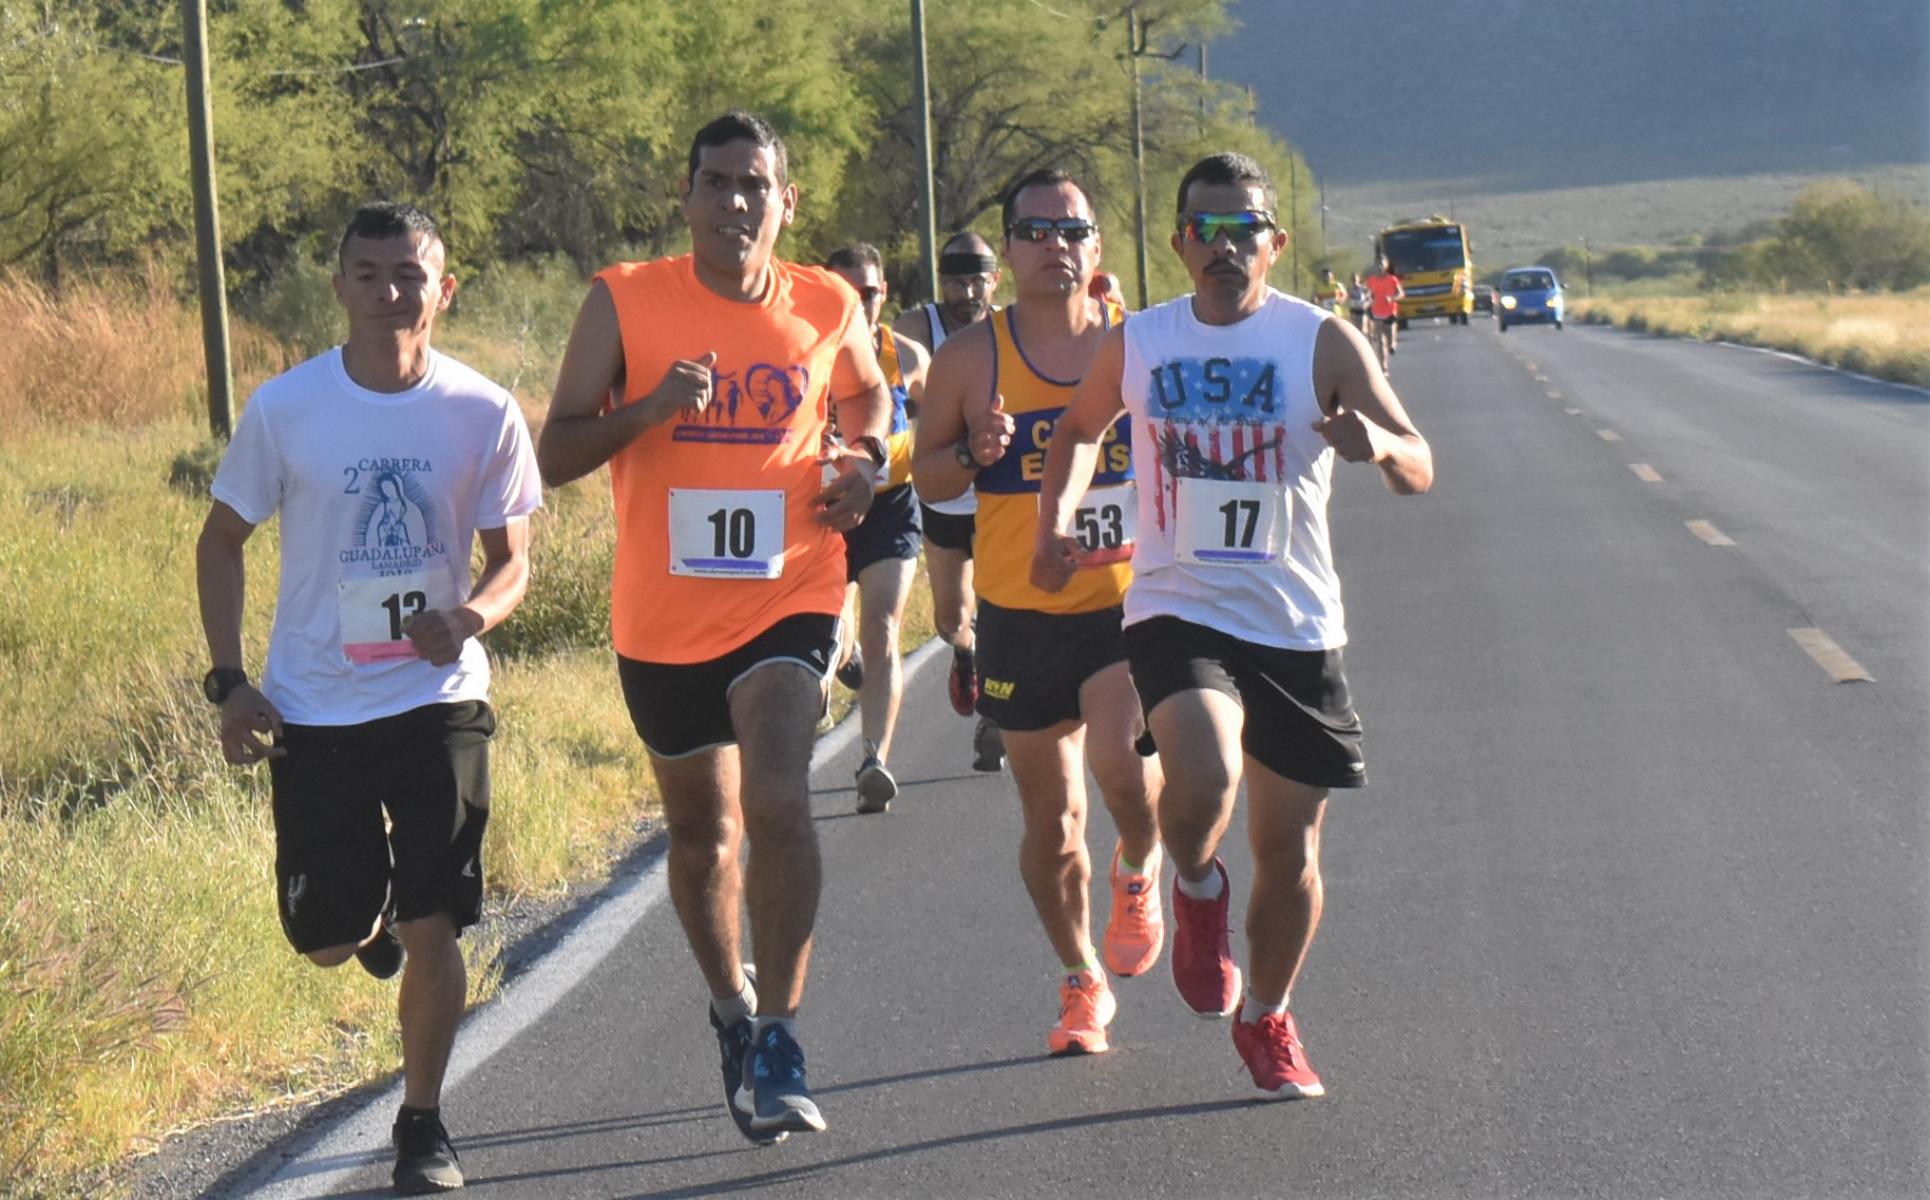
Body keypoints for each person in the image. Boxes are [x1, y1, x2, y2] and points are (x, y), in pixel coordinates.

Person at [1032, 151, 1431, 1100]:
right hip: (1180, 605)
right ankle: (1197, 884)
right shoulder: (1140, 341)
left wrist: (1377, 445)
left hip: (1295, 619)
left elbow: (1420, 463)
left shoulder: (1322, 340)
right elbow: (1080, 432)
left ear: (1274, 241)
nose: (1225, 246)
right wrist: (1054, 522)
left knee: (1290, 856)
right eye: (1205, 229)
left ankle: (1268, 1017)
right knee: (1203, 776)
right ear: (1179, 243)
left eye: (1244, 227)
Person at [535, 111, 890, 1143]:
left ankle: (779, 1031)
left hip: (791, 589)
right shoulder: (625, 299)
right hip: (661, 618)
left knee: (778, 799)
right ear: (685, 197)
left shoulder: (824, 303)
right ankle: (731, 1012)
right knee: (703, 836)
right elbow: (553, 453)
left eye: (757, 186)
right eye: (719, 183)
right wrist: (646, 411)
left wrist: (865, 467)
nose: (738, 202)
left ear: (786, 203)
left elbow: (870, 402)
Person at [196, 201, 542, 1194]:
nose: (390, 291)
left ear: (445, 288)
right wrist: (231, 683)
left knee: (441, 921)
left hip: (438, 699)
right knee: (324, 939)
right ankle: (371, 919)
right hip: (316, 705)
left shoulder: (482, 410)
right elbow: (221, 540)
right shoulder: (287, 409)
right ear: (340, 284)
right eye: (369, 273)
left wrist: (471, 617)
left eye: (410, 274)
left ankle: (423, 1123)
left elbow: (512, 560)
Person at [913, 169, 1165, 1057]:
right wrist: (972, 452)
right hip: (1020, 611)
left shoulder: (1136, 345)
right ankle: (1079, 979)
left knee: (1120, 769)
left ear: (1096, 245)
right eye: (1036, 231)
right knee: (1052, 825)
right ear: (1008, 248)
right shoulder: (970, 359)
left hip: (1125, 606)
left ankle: (1140, 865)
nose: (1056, 245)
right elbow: (927, 478)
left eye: (1073, 229)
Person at [892, 232, 1006, 774]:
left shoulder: (1010, 328)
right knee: (949, 618)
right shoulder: (918, 329)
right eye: (957, 280)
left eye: (977, 279)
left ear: (995, 279)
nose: (967, 291)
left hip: (999, 493)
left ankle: (997, 714)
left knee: (1005, 607)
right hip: (941, 492)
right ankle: (967, 653)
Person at [824, 242, 929, 814]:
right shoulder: (809, 353)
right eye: (845, 291)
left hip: (891, 504)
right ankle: (846, 662)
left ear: (882, 293)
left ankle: (873, 759)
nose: (857, 303)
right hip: (828, 507)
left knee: (883, 624)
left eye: (867, 292)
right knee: (834, 637)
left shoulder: (908, 358)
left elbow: (937, 427)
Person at [1364, 254, 1404, 372]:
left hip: (1390, 311)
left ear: (1386, 266)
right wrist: (1367, 300)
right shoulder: (1371, 280)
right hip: (1376, 312)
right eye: (1378, 264)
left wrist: (1391, 298)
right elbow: (1368, 294)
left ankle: (1393, 343)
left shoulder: (1392, 279)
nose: (1379, 267)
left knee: (1389, 338)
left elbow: (1401, 294)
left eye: (1382, 264)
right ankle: (1384, 367)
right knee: (1380, 341)